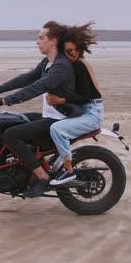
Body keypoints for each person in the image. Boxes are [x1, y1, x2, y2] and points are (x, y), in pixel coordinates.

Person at [0, 21, 80, 198]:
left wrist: (2, 101)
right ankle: (23, 168)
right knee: (9, 122)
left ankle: (42, 178)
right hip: (49, 117)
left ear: (53, 41)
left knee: (11, 134)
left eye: (41, 38)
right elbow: (26, 78)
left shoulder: (61, 67)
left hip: (58, 122)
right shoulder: (47, 62)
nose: (37, 41)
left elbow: (36, 87)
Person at [46, 22, 104, 185]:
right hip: (84, 110)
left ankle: (68, 170)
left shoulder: (79, 65)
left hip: (92, 113)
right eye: (67, 51)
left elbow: (85, 96)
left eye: (73, 50)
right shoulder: (72, 64)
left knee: (57, 129)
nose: (71, 54)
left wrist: (60, 100)